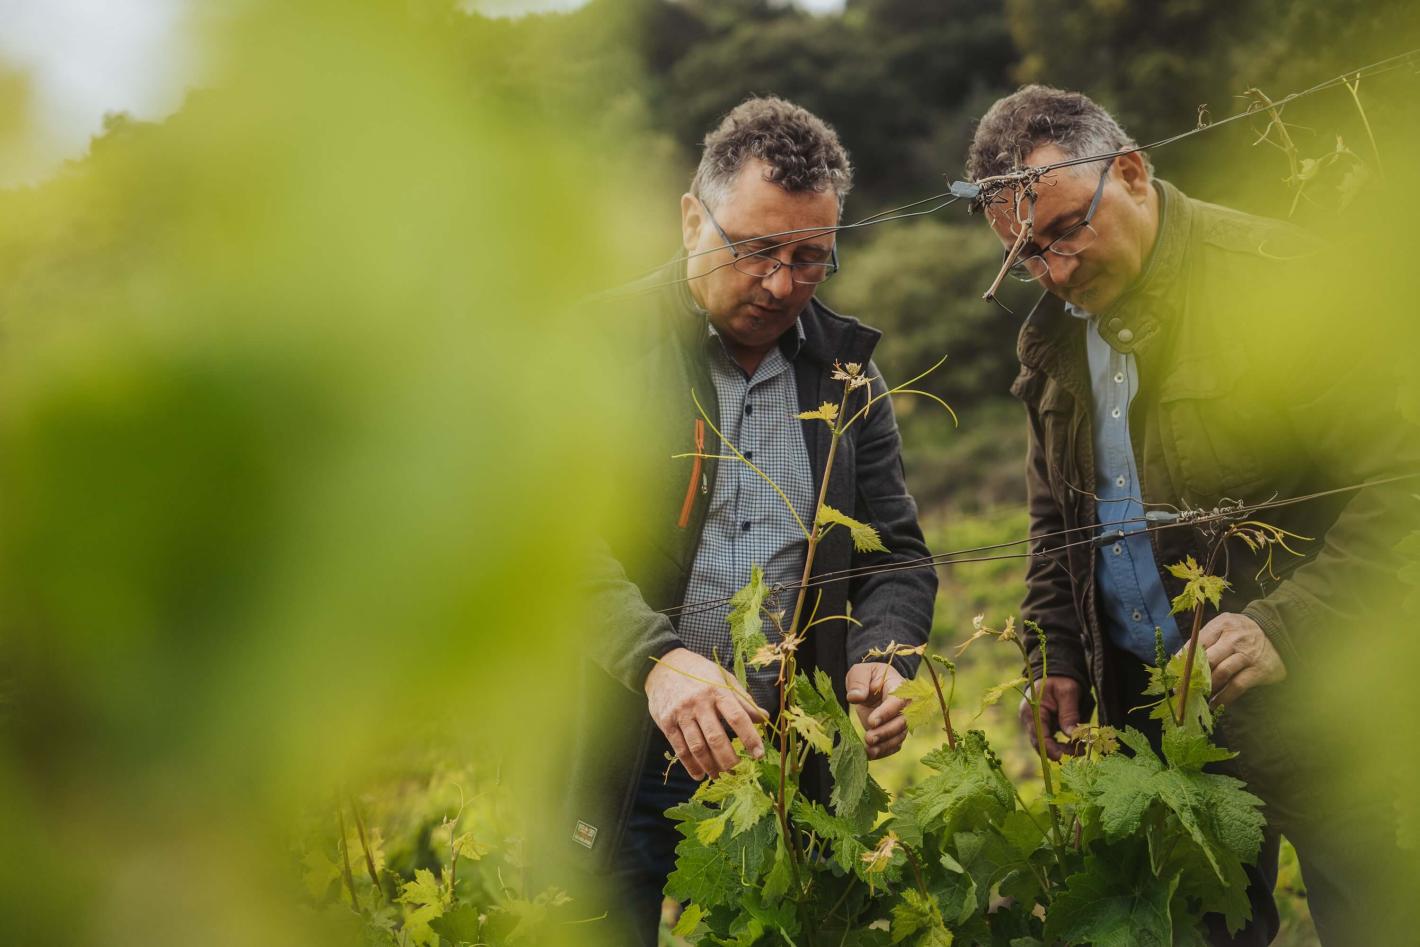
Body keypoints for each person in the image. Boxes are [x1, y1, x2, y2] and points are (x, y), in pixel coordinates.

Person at [965, 85, 1419, 946]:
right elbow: (1053, 520)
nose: (1055, 271)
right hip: (1156, 721)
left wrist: (1287, 622)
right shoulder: (1056, 337)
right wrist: (1056, 652)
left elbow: (1402, 485)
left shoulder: (1280, 280)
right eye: (1027, 253)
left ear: (1131, 173)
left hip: (1326, 702)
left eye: (1066, 230)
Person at [564, 96, 938, 945]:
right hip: (613, 752)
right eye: (757, 250)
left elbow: (899, 559)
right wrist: (654, 661)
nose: (780, 284)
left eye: (811, 259)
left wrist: (884, 655)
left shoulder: (848, 380)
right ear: (693, 217)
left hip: (780, 763)